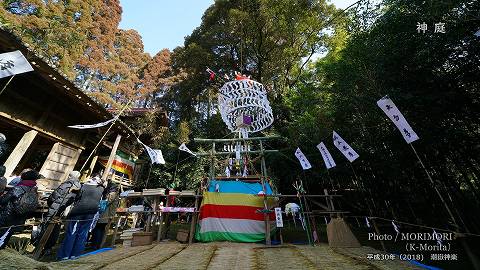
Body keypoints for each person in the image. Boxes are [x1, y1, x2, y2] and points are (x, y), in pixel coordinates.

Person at [32, 171, 82, 254]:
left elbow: (54, 196)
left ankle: (39, 247)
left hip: (55, 209)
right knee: (56, 228)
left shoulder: (67, 184)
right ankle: (49, 248)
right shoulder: (79, 186)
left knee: (46, 226)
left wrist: (50, 203)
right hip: (63, 210)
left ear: (69, 176)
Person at [57, 175, 104, 260]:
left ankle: (65, 255)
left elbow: (76, 198)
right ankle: (77, 255)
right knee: (83, 234)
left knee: (72, 233)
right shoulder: (101, 189)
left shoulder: (83, 186)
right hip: (91, 213)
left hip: (78, 212)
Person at [0, 170, 40, 249]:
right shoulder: (34, 189)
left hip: (8, 215)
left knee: (2, 233)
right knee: (7, 235)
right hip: (20, 217)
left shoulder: (19, 188)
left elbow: (3, 200)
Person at [91, 181, 119, 249]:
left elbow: (107, 202)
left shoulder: (112, 194)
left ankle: (96, 244)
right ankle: (98, 244)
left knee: (99, 228)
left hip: (105, 213)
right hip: (106, 214)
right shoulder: (114, 194)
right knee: (101, 229)